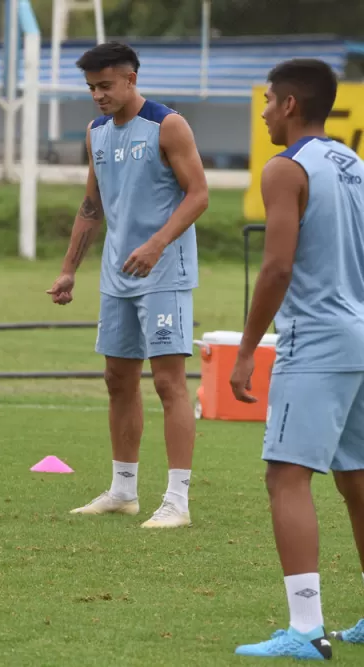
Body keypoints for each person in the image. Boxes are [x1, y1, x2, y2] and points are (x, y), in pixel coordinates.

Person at [230, 58, 364, 661]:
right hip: (360, 331)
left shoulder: (285, 169)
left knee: (286, 475)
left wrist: (247, 348)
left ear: (288, 105)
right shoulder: (355, 164)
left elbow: (278, 266)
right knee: (358, 478)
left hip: (316, 337)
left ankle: (306, 630)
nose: (262, 111)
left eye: (267, 100)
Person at [47, 42, 209, 529]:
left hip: (164, 272)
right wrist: (69, 268)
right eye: (91, 88)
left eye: (105, 86)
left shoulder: (168, 125)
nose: (97, 95)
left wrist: (157, 243)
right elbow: (91, 204)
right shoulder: (96, 132)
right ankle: (123, 491)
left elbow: (199, 194)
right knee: (117, 380)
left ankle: (177, 501)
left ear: (131, 80)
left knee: (167, 382)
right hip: (118, 276)